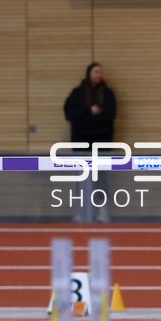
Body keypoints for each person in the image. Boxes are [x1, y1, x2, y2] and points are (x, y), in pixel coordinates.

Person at [64, 62, 117, 222]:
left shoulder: (107, 94)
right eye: (96, 72)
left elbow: (110, 116)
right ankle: (82, 211)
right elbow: (69, 114)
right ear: (89, 73)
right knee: (81, 177)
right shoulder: (77, 93)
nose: (98, 75)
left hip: (101, 143)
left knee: (101, 176)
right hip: (81, 142)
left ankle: (102, 211)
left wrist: (95, 117)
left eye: (100, 72)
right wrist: (89, 111)